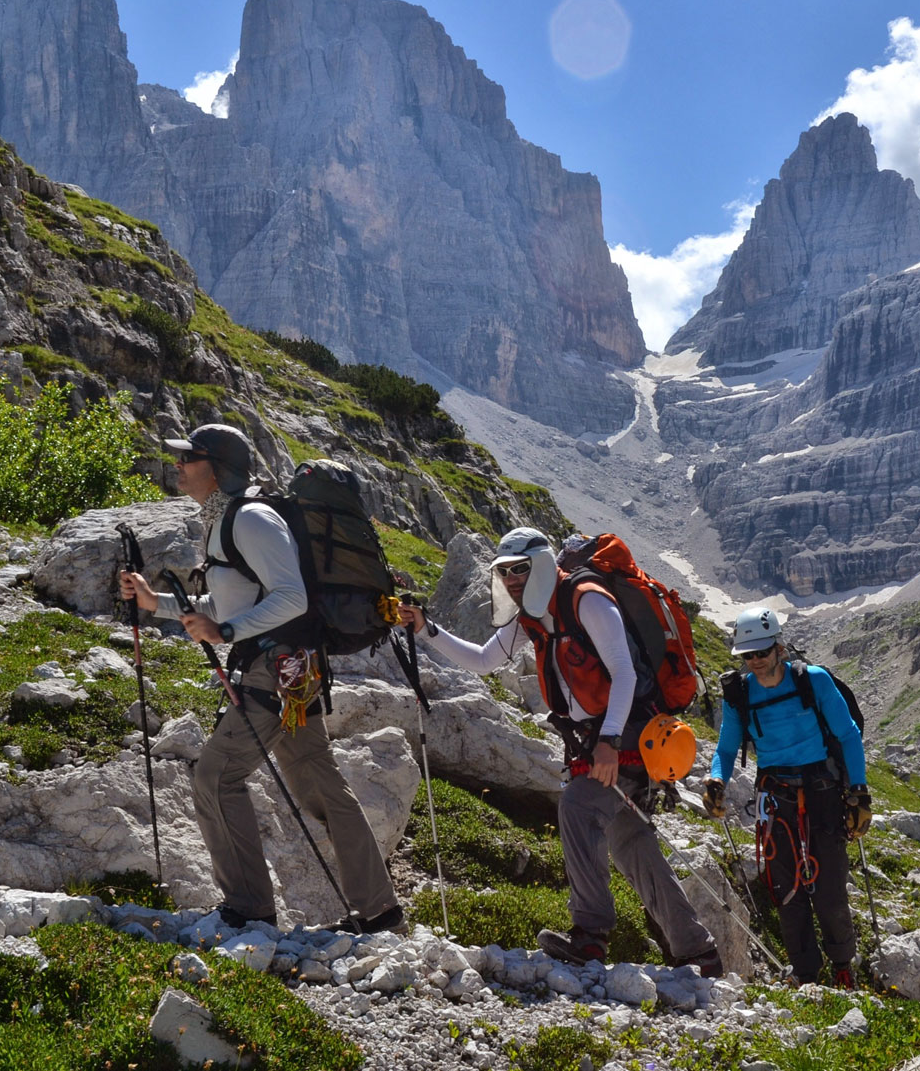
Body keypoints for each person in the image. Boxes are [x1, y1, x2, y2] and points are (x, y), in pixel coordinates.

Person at [119, 423, 403, 933]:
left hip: (275, 671)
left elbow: (290, 597)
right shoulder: (223, 521)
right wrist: (155, 603)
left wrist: (225, 629)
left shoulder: (249, 519)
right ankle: (379, 911)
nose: (179, 465)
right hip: (291, 669)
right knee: (319, 784)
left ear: (219, 467)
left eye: (190, 457)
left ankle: (249, 909)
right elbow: (231, 604)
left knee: (215, 778)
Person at [397, 527, 721, 974]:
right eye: (504, 572)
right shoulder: (533, 613)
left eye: (520, 570)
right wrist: (426, 629)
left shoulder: (587, 600)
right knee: (630, 841)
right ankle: (699, 953)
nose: (511, 579)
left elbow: (624, 676)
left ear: (543, 566)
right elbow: (484, 661)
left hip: (628, 734)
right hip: (597, 737)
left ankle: (590, 938)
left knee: (578, 806)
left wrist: (608, 742)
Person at [703, 606, 869, 987]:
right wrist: (716, 779)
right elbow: (727, 748)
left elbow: (847, 735)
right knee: (787, 888)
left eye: (762, 652)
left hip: (823, 791)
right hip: (775, 797)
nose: (756, 662)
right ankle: (806, 972)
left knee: (828, 888)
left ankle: (843, 966)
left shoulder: (813, 680)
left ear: (779, 647)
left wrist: (859, 792)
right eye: (748, 655)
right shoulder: (738, 693)